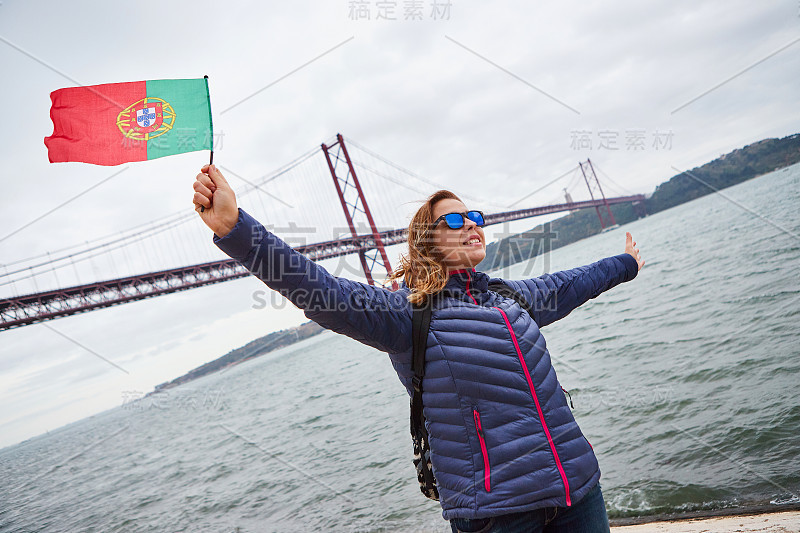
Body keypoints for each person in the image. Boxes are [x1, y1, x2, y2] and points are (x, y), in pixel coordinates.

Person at [192, 164, 645, 533]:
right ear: (428, 240)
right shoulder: (407, 314)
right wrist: (236, 230)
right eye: (452, 219)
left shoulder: (512, 297)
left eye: (474, 217)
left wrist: (625, 264)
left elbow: (572, 282)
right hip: (499, 513)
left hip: (579, 491)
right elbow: (321, 290)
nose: (470, 223)